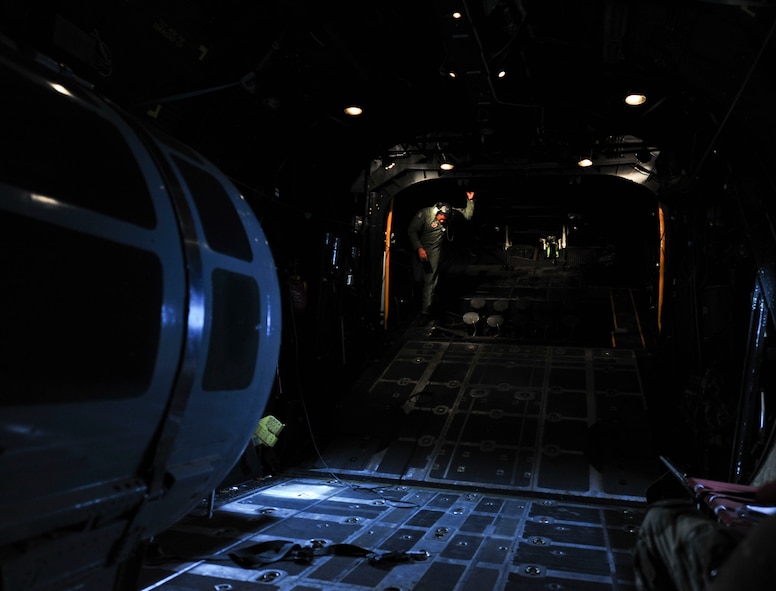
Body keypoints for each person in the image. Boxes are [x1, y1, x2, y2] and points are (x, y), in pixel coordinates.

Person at [407, 190, 475, 325]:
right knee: (417, 279)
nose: (443, 220)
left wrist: (470, 201)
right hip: (419, 248)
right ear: (437, 212)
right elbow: (412, 230)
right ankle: (420, 303)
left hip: (434, 251)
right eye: (441, 217)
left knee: (430, 281)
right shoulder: (425, 213)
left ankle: (425, 312)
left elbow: (467, 215)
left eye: (445, 218)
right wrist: (419, 247)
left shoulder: (451, 214)